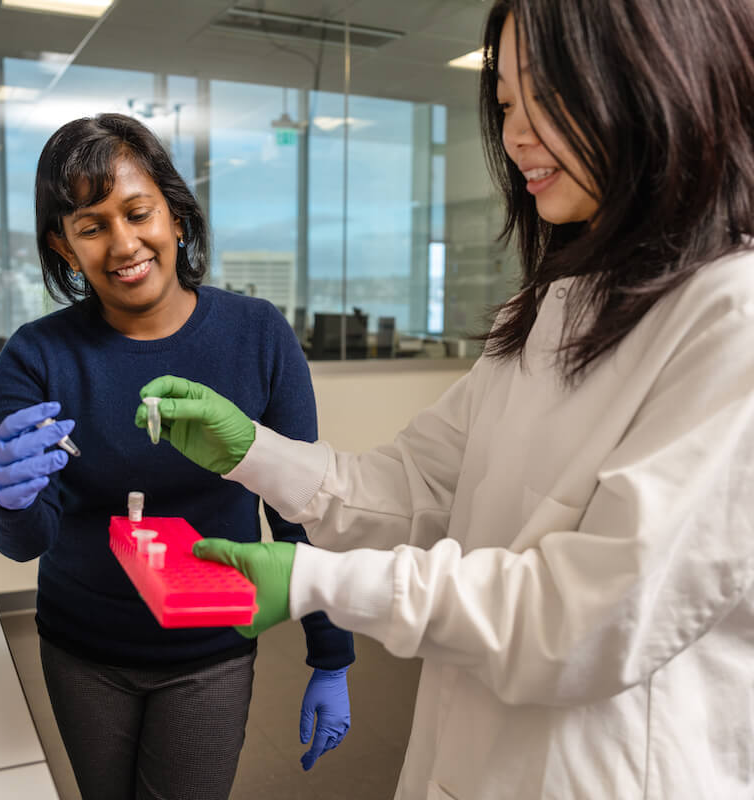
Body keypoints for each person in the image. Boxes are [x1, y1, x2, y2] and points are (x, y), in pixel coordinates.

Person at [133, 0, 754, 797]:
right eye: (504, 104)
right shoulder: (555, 305)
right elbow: (423, 486)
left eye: (550, 96)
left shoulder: (730, 316)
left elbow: (586, 618)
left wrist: (317, 581)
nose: (516, 135)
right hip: (474, 750)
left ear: (659, 83)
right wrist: (255, 453)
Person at [0, 113, 354, 800]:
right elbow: (29, 540)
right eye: (91, 226)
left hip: (209, 653)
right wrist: (2, 497)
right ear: (65, 247)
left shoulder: (257, 337)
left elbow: (300, 509)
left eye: (138, 212)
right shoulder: (37, 357)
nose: (123, 243)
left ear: (176, 216)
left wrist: (331, 654)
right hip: (80, 649)